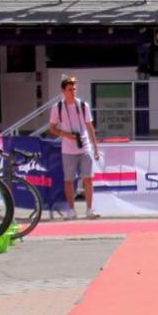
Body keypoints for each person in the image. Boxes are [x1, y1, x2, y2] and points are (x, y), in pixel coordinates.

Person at [48, 74, 101, 219]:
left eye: (74, 89)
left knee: (88, 178)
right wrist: (65, 134)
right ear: (63, 91)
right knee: (69, 180)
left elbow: (90, 127)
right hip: (68, 149)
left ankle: (89, 209)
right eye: (70, 89)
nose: (73, 92)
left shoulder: (83, 106)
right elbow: (52, 128)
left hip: (84, 146)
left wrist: (95, 147)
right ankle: (71, 210)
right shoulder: (58, 107)